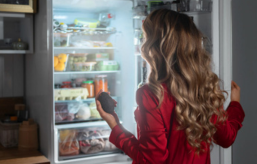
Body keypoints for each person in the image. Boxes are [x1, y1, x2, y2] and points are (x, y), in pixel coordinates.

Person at [95, 9, 245, 164]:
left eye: (145, 38)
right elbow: (227, 138)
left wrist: (115, 125)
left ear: (154, 47)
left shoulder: (151, 94)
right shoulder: (204, 88)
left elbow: (152, 159)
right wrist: (235, 105)